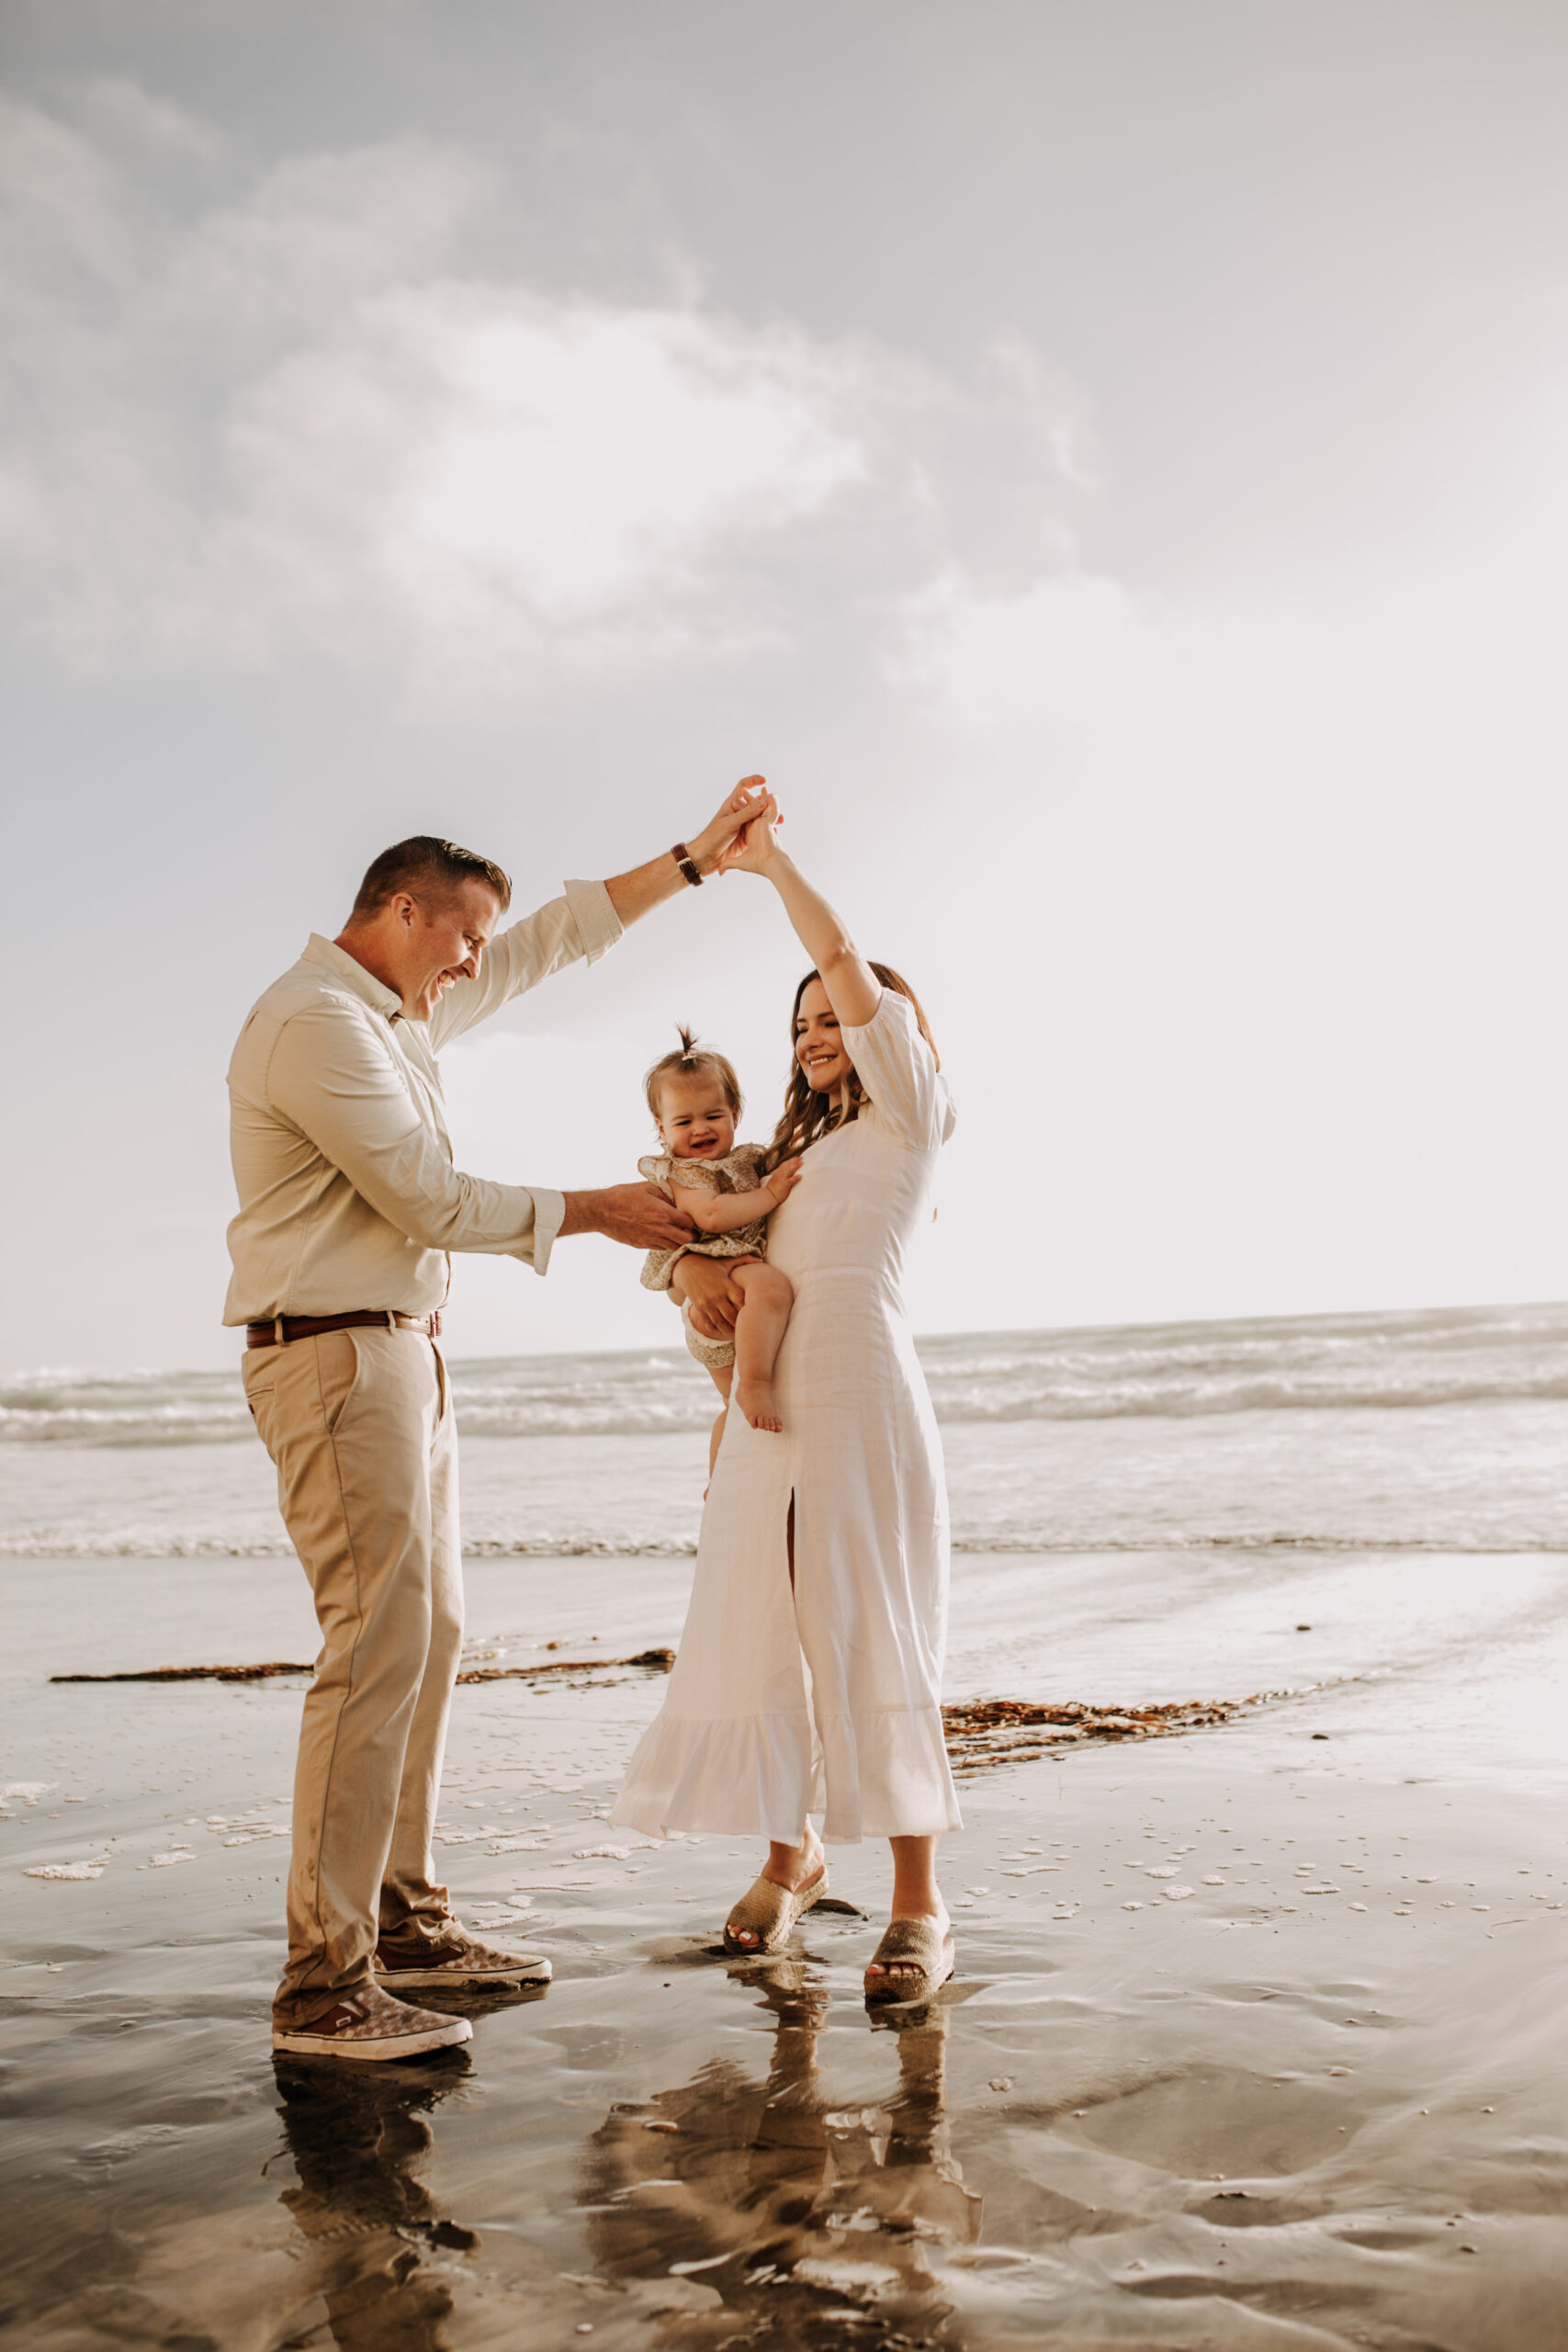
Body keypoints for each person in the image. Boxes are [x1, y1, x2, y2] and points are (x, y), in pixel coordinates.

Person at [225, 783, 769, 2062]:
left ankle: (404, 1924)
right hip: (333, 1353)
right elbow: (421, 1197)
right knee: (373, 1646)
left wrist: (693, 862)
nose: (475, 961)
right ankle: (322, 1986)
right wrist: (599, 1211)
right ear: (401, 910)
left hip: (401, 1351)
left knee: (431, 1634)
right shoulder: (315, 1023)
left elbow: (552, 942)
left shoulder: (398, 1010)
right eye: (461, 934)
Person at [611, 793, 961, 2002]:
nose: (819, 1029)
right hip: (763, 1421)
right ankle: (793, 1853)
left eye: (838, 1013)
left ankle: (917, 1904)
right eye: (802, 1023)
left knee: (871, 1625)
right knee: (764, 1629)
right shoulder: (783, 1159)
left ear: (891, 1024)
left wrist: (770, 869)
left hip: (861, 1393)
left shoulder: (911, 1111)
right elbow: (705, 1250)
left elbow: (839, 959)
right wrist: (705, 1274)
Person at [637, 1029, 802, 1473]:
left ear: (735, 1113)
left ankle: (719, 1486)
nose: (700, 1129)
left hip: (727, 1316)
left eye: (713, 1115)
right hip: (713, 1290)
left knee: (730, 1411)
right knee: (770, 1287)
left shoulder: (747, 1160)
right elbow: (710, 1217)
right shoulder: (678, 1175)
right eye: (684, 1122)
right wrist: (771, 1197)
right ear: (662, 1130)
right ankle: (757, 1382)